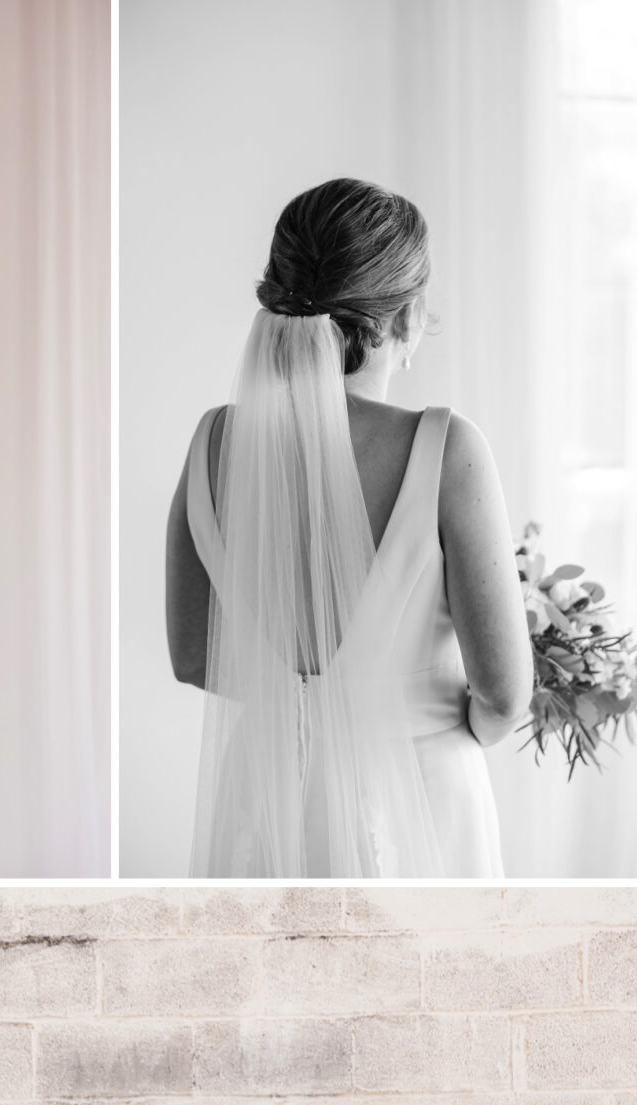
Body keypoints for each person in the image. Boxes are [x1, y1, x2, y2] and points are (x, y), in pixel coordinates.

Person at [167, 178, 534, 878]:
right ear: (405, 317)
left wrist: (303, 707)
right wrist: (432, 719)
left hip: (267, 794)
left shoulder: (213, 441)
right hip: (421, 800)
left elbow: (192, 655)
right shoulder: (447, 449)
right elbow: (505, 694)